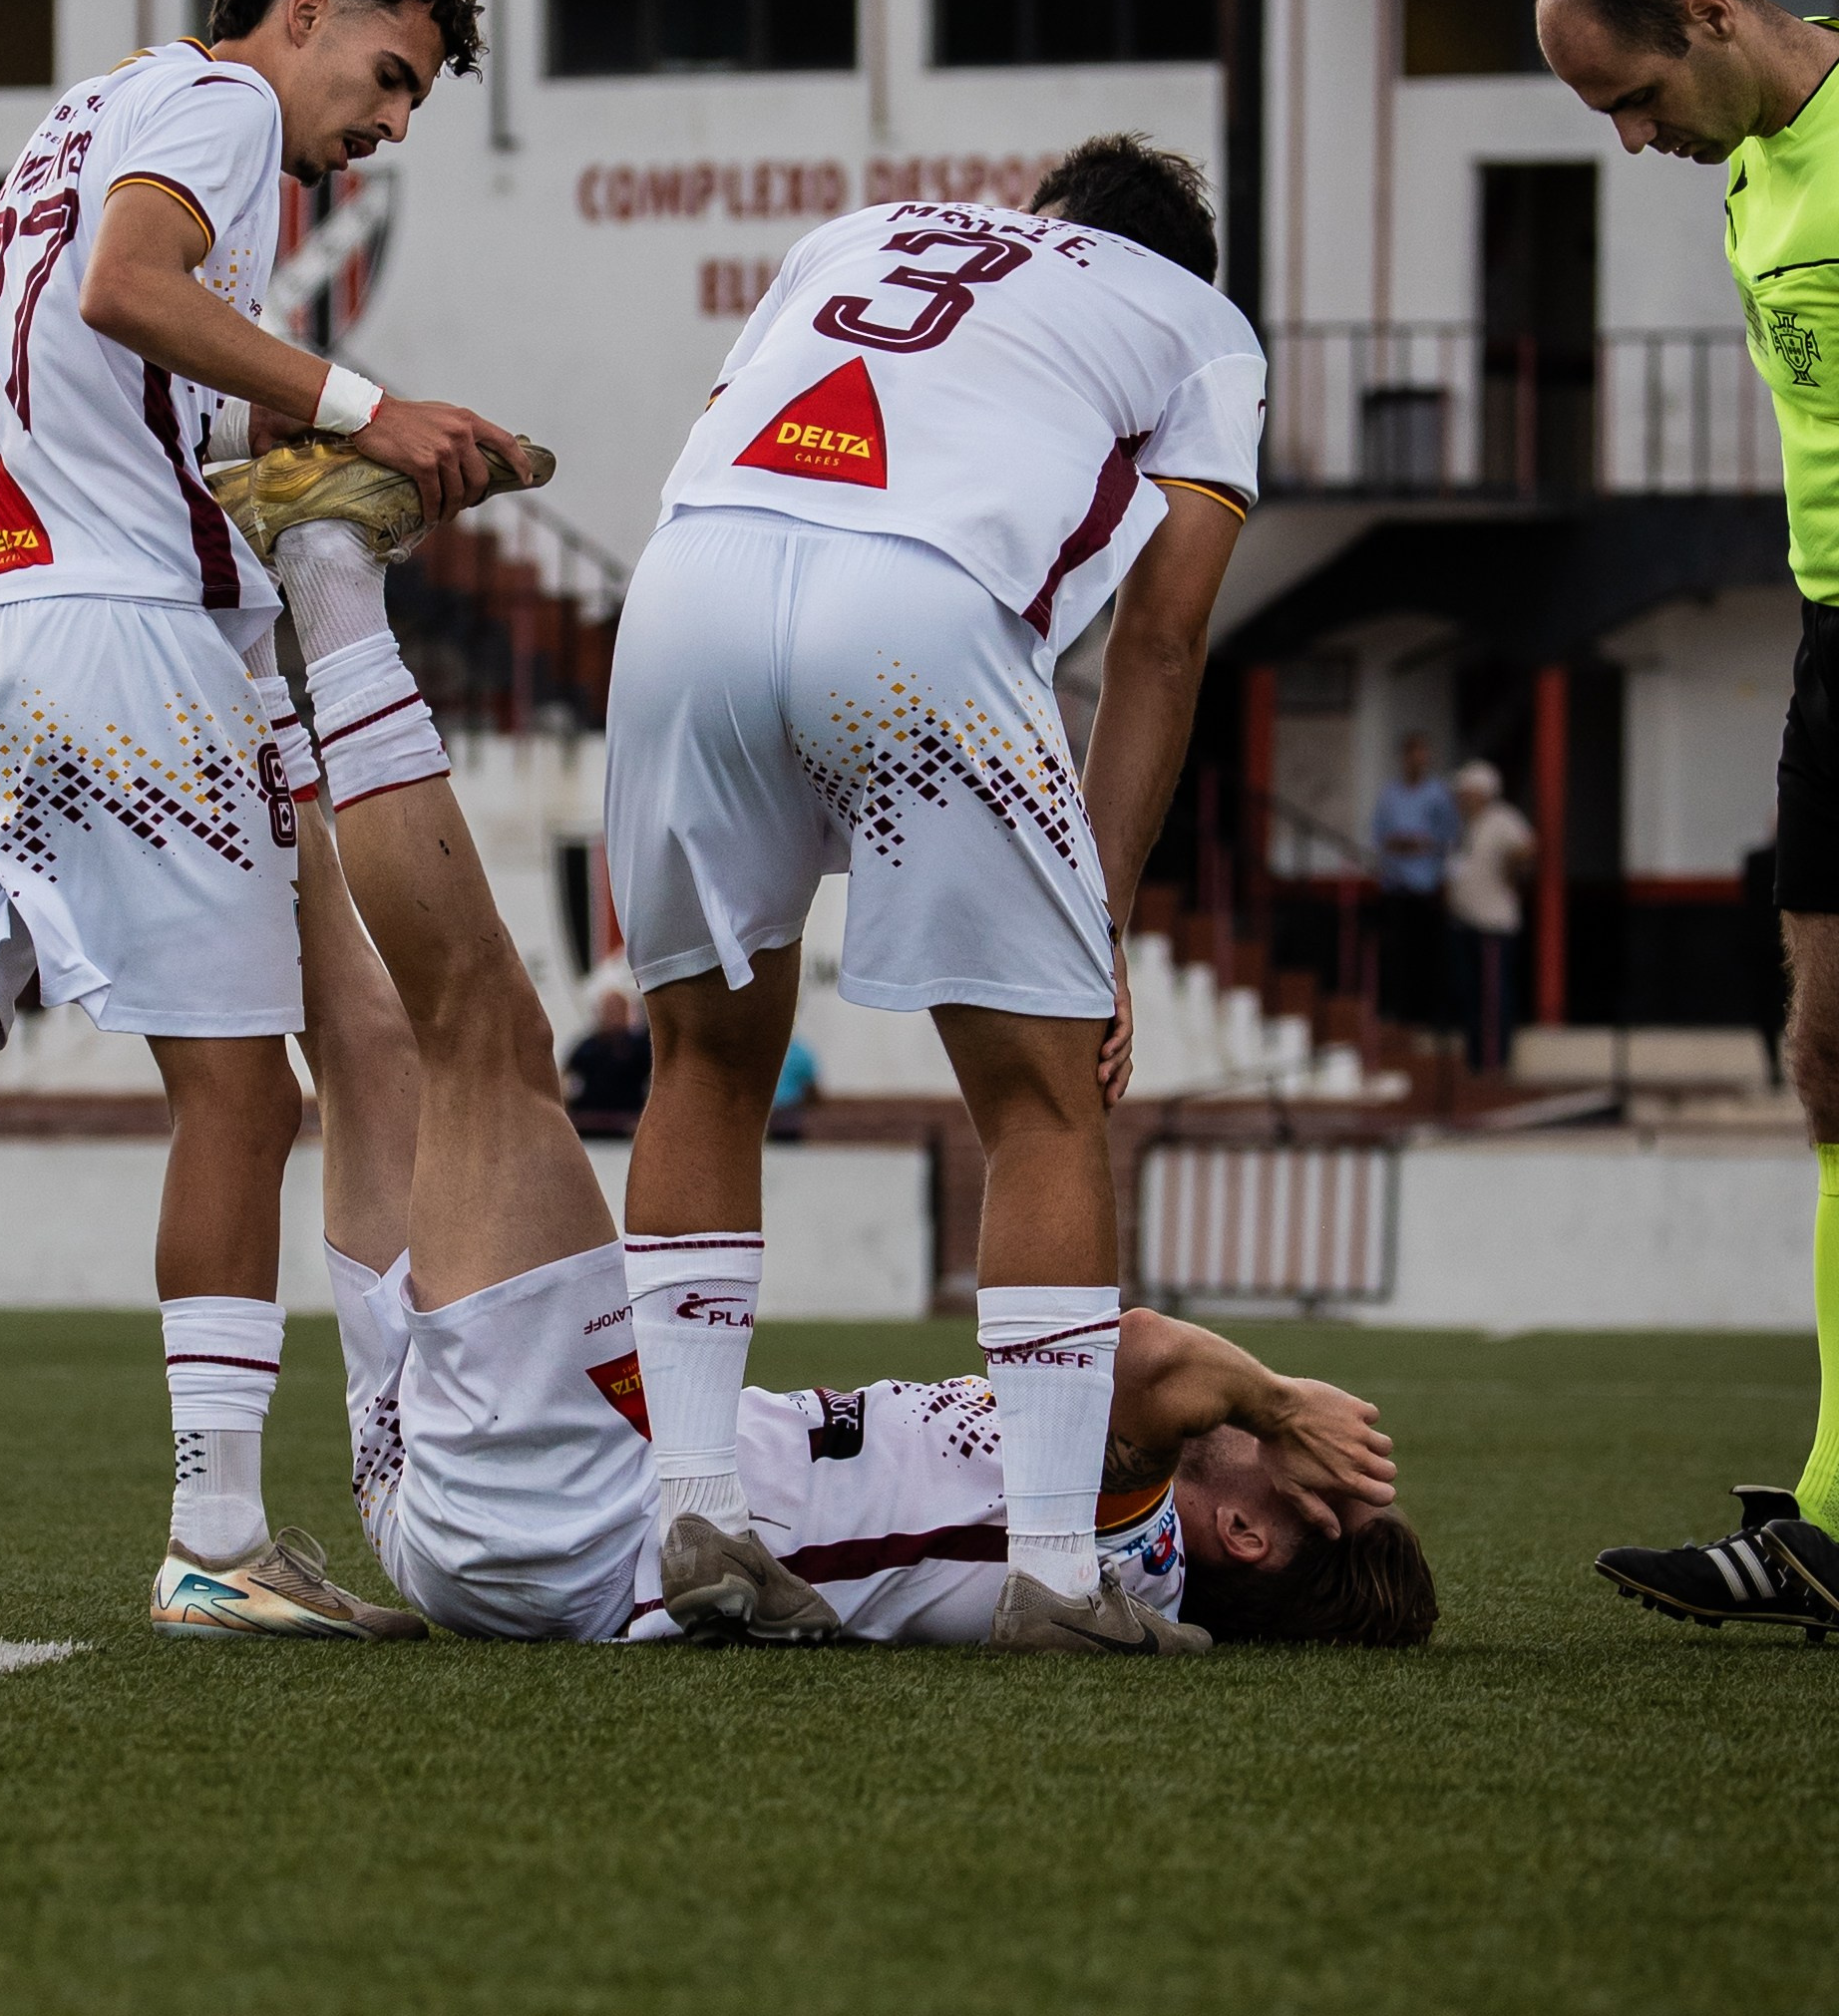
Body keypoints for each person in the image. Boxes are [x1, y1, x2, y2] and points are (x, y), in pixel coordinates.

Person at [0, 0, 542, 1637]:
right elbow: (126, 291)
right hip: (112, 641)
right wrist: (360, 408)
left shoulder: (91, 111)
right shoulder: (226, 105)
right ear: (309, 8)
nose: (389, 124)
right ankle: (218, 1531)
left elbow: (130, 350)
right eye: (394, 75)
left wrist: (330, 440)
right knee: (246, 1094)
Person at [222, 509, 1424, 1652]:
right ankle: (245, 668)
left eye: (1331, 1483)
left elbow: (1152, 1355)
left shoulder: (1136, 1543)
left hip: (574, 1502)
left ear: (1249, 1533)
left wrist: (1281, 1406)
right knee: (365, 1047)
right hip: (497, 1508)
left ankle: (327, 566)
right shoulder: (1106, 1493)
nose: (1328, 1449)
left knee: (480, 1026)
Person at [597, 133, 1268, 1649]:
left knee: (703, 1059)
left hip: (688, 586)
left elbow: (728, 427)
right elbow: (1161, 641)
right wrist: (1097, 915)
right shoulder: (1199, 324)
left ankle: (695, 1506)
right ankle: (1054, 1572)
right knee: (1040, 1105)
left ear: (1037, 217)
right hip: (921, 608)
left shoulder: (855, 232)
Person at [1537, 0, 1839, 1630]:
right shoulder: (1747, 184)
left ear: (1712, 14)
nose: (1636, 140)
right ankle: (1827, 1513)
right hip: (1830, 642)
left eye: (1634, 98)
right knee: (1829, 1057)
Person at [1442, 759, 1536, 1072]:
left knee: (1494, 995)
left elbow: (1526, 850)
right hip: (1462, 923)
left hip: (1492, 925)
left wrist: (1513, 869)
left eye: (1465, 792)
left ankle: (1497, 1059)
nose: (1460, 798)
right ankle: (1476, 1058)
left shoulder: (1503, 819)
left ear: (1483, 793)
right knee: (1467, 994)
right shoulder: (1463, 826)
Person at [1369, 735, 1461, 1027]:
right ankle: (1399, 1011)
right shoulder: (1390, 794)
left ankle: (1430, 1014)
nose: (1418, 759)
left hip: (1427, 886)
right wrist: (1400, 844)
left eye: (1423, 753)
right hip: (1396, 885)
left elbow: (1450, 836)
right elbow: (1379, 836)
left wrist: (1424, 846)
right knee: (1397, 953)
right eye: (1412, 753)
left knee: (1428, 953)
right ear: (1404, 757)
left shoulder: (1438, 794)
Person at [561, 986, 651, 1127]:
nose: (614, 1015)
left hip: (629, 1125)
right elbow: (565, 1075)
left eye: (618, 1009)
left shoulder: (641, 1047)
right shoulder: (587, 1047)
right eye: (609, 1009)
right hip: (591, 1124)